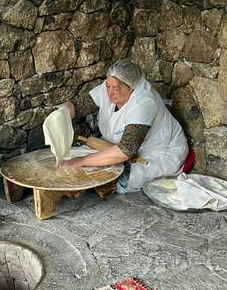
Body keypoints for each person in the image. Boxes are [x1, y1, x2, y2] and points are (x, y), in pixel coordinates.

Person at [62, 59, 188, 193]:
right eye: (108, 86)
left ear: (132, 87)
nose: (110, 93)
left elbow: (126, 151)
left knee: (108, 180)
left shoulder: (144, 103)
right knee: (82, 166)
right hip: (119, 147)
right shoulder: (111, 87)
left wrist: (82, 161)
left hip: (155, 154)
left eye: (115, 88)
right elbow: (79, 106)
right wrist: (62, 112)